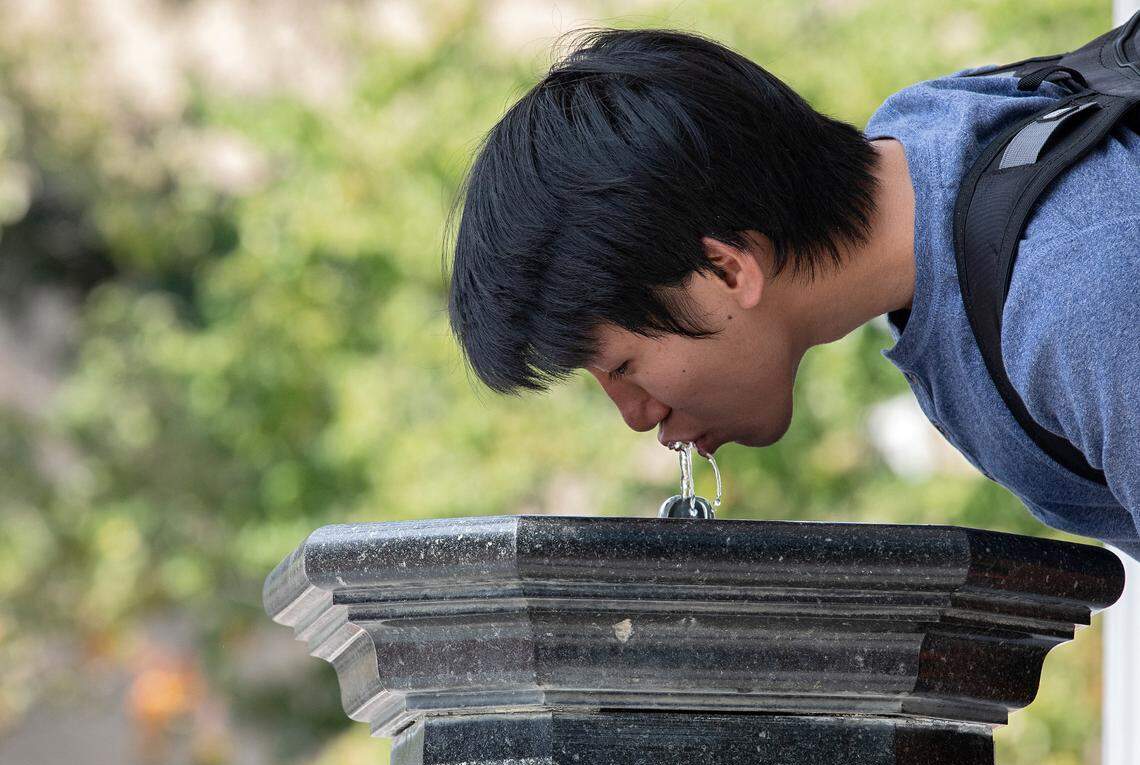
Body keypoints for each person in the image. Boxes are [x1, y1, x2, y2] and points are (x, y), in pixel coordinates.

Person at [444, 27, 1140, 557]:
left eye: (623, 366)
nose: (634, 415)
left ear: (726, 270)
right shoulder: (933, 140)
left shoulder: (1075, 298)